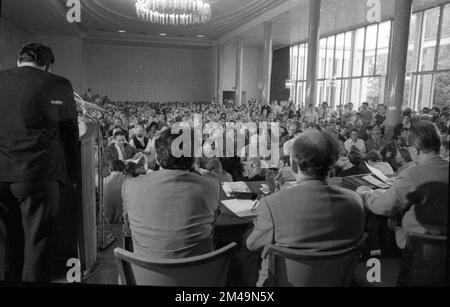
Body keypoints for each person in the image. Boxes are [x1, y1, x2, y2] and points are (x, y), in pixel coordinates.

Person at [0, 43, 79, 282]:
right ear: (48, 65)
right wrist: (69, 176)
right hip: (38, 176)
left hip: (1, 174)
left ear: (19, 60)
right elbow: (69, 134)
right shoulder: (58, 84)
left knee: (4, 247)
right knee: (37, 247)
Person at [245, 130, 365, 286]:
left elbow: (252, 245)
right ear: (332, 164)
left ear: (294, 165)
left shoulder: (272, 204)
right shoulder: (355, 201)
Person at [122, 129, 221, 259]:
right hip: (199, 272)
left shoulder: (130, 186)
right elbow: (211, 227)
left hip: (144, 275)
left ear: (157, 158)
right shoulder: (212, 186)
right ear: (192, 160)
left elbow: (128, 229)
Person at [357, 122, 448, 249]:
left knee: (387, 221)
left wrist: (366, 194)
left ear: (415, 149)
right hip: (443, 245)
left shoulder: (412, 174)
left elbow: (382, 207)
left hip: (419, 245)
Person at [104, 160, 127, 224]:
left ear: (110, 169)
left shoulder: (103, 181)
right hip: (122, 218)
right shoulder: (127, 180)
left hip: (106, 217)